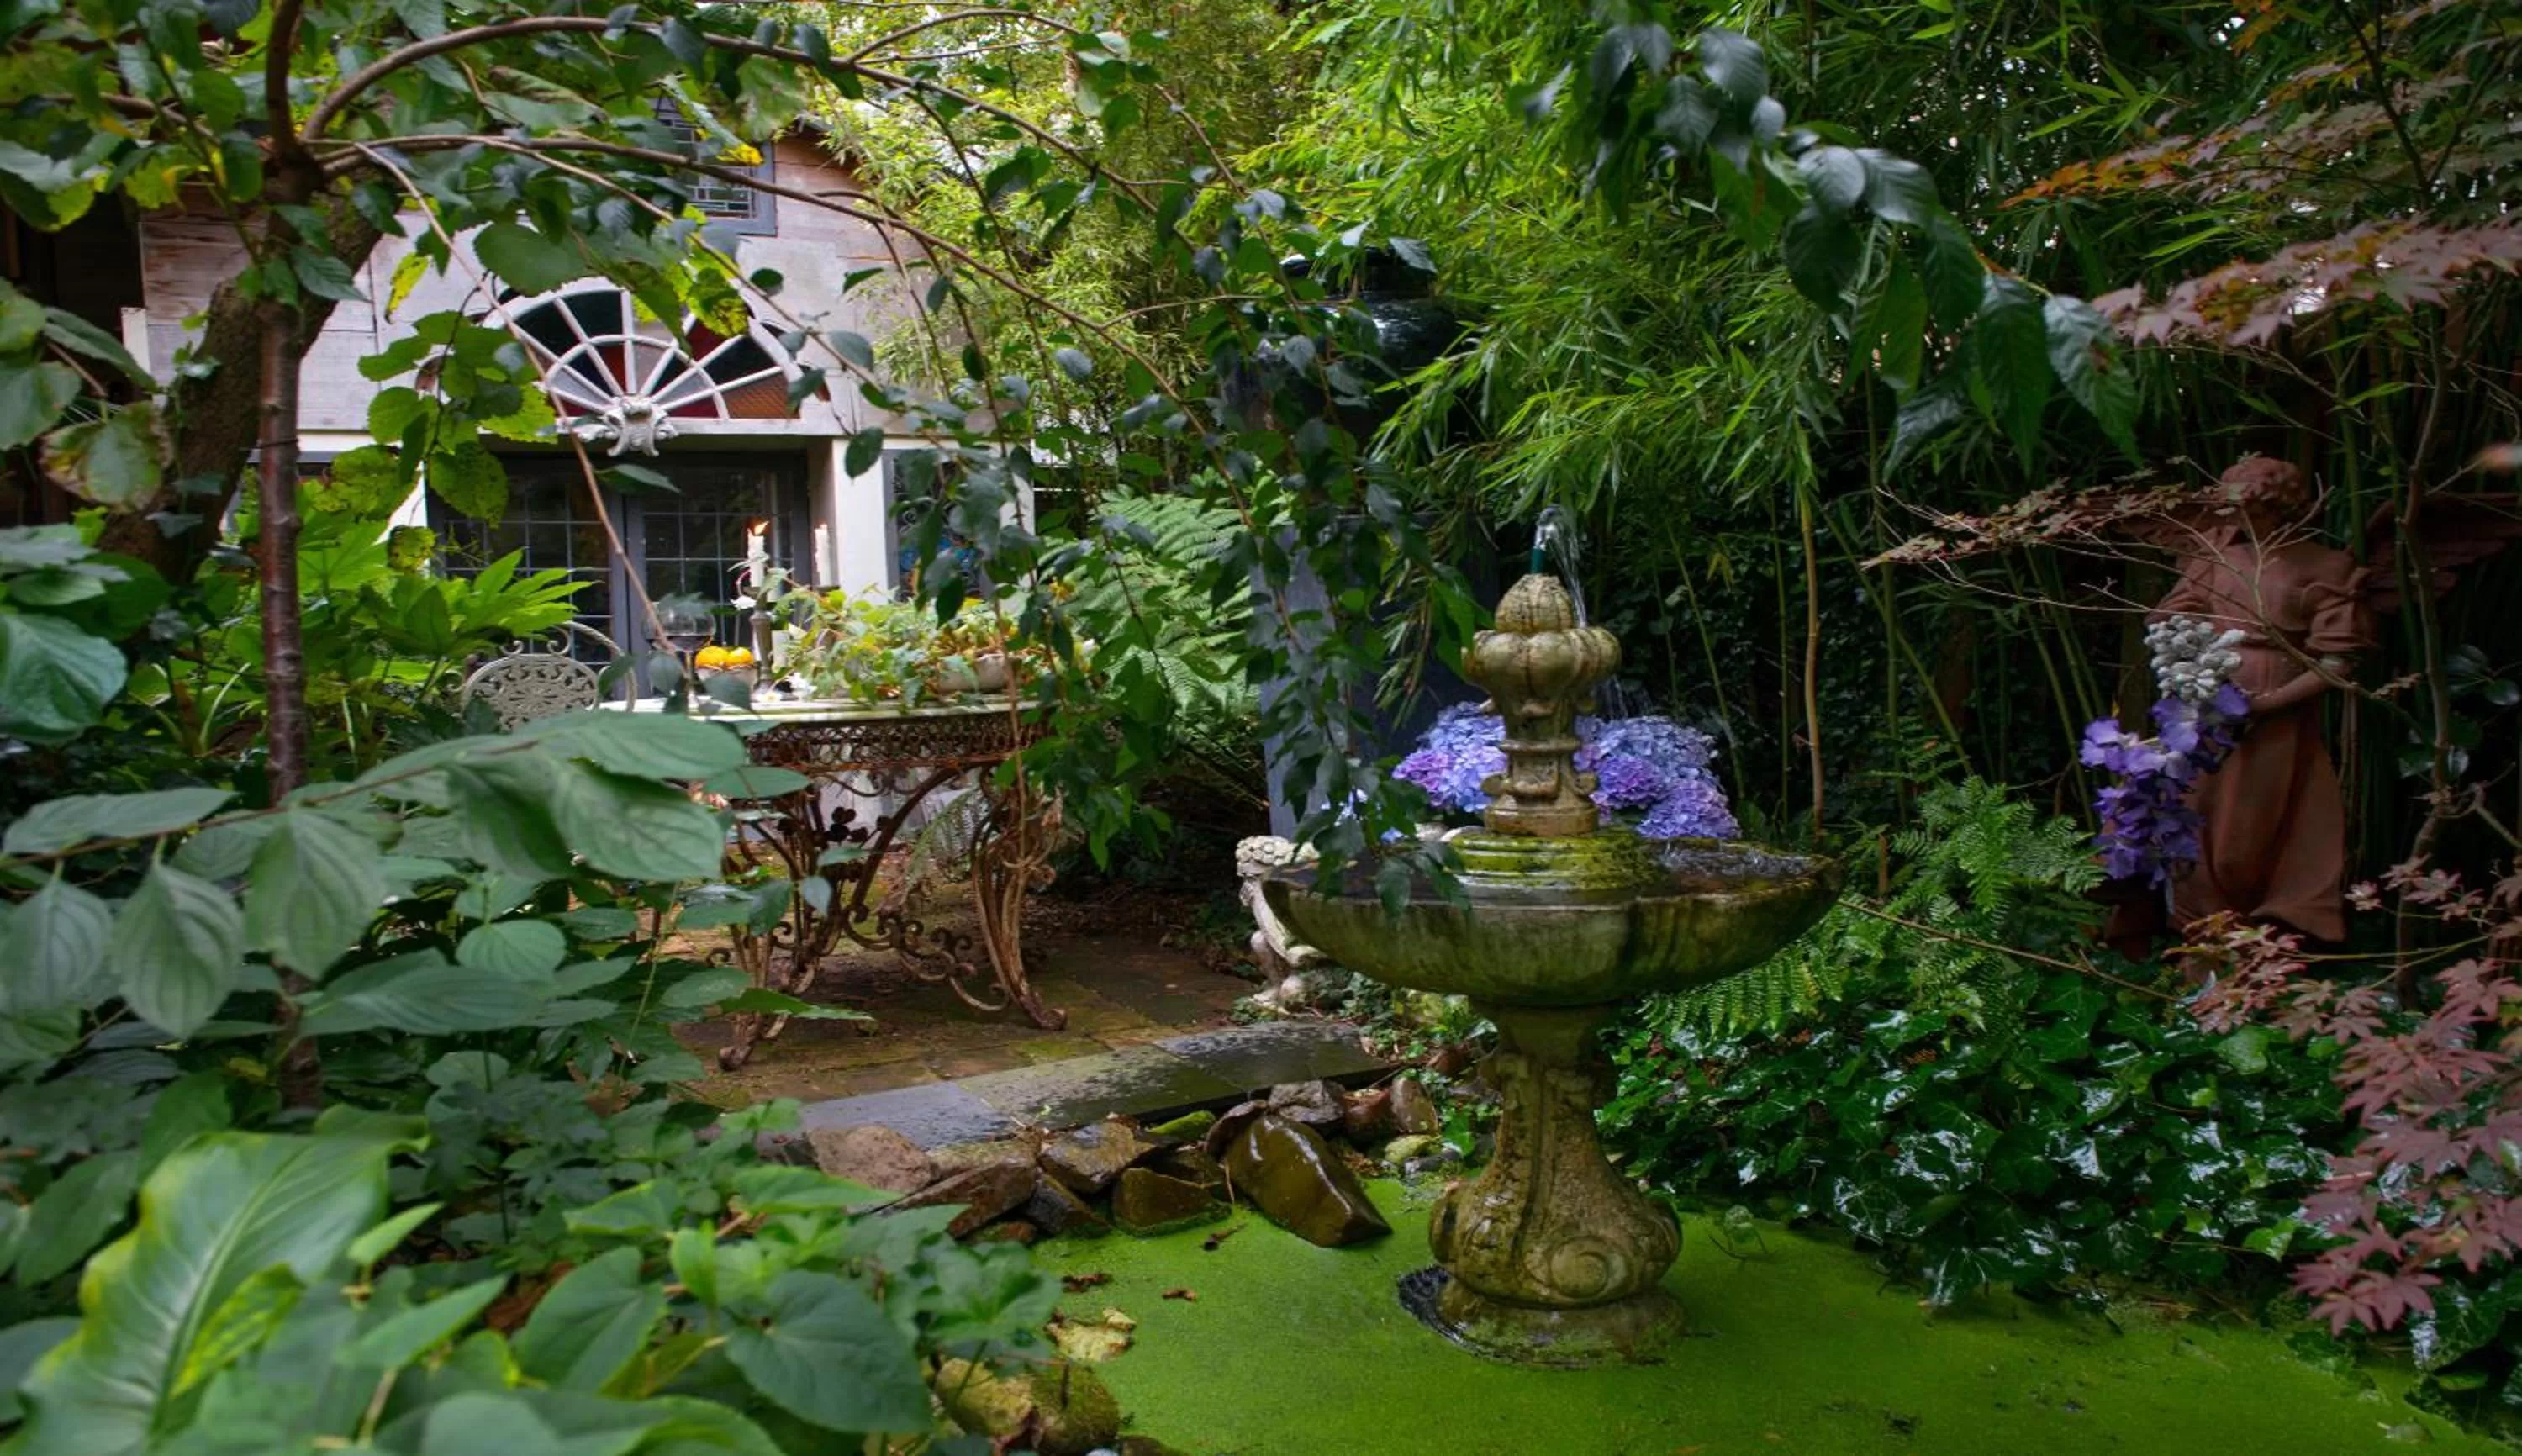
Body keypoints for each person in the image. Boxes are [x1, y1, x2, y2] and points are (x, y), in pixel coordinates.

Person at [2150, 457, 2372, 941]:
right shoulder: (2213, 559)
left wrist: (2266, 705)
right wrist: (2188, 663)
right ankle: (2200, 938)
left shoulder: (2326, 565)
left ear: (2282, 507)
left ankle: (2261, 939)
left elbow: (2339, 662)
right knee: (2193, 813)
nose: (2240, 520)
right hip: (2203, 705)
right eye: (2233, 510)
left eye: (2253, 509)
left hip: (2278, 717)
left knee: (2250, 828)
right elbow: (2170, 619)